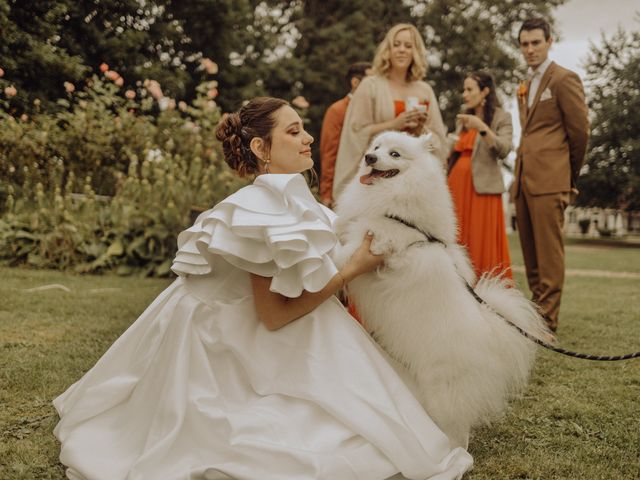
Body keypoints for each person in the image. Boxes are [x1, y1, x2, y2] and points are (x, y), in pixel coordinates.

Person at [53, 97, 473, 479]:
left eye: (302, 128)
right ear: (260, 149)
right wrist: (352, 271)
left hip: (276, 321)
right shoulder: (258, 211)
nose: (307, 138)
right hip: (228, 341)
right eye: (292, 132)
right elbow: (273, 316)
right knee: (342, 438)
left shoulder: (300, 204)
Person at [513, 18, 589, 332]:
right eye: (525, 44)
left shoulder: (563, 79)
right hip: (523, 179)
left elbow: (580, 133)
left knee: (549, 256)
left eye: (536, 43)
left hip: (551, 180)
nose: (530, 49)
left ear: (549, 42)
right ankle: (535, 315)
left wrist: (566, 175)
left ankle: (547, 322)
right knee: (531, 254)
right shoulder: (526, 84)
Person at [332, 23, 448, 201]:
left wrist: (420, 132)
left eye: (408, 46)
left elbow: (438, 139)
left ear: (416, 51)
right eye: (397, 44)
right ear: (388, 49)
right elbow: (356, 132)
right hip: (376, 179)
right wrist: (395, 125)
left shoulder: (425, 90)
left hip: (411, 186)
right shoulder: (369, 85)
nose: (402, 50)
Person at [447, 71, 513, 279]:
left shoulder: (502, 117)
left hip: (483, 189)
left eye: (469, 89)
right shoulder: (463, 118)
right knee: (458, 237)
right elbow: (454, 150)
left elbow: (504, 149)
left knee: (480, 238)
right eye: (463, 89)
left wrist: (482, 128)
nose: (464, 94)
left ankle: (484, 287)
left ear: (485, 91)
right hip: (456, 185)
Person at [319, 61, 372, 208]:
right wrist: (327, 193)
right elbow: (329, 153)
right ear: (355, 82)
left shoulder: (375, 111)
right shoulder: (337, 110)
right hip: (345, 188)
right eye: (371, 81)